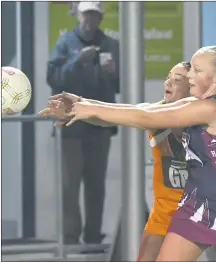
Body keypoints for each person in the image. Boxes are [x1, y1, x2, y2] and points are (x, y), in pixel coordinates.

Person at [40, 57, 216, 261]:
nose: (169, 82)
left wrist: (85, 106)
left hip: (215, 208)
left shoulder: (212, 118)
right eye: (168, 77)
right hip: (167, 216)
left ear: (192, 87)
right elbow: (128, 113)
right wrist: (82, 104)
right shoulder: (157, 113)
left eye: (178, 79)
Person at [46, 1, 120, 244]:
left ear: (100, 18)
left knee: (96, 185)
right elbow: (54, 79)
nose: (90, 20)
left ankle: (92, 237)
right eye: (86, 15)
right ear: (78, 16)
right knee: (70, 186)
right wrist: (77, 61)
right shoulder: (65, 43)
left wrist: (114, 73)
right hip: (70, 127)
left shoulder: (111, 45)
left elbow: (121, 85)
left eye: (94, 16)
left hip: (99, 125)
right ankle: (69, 239)